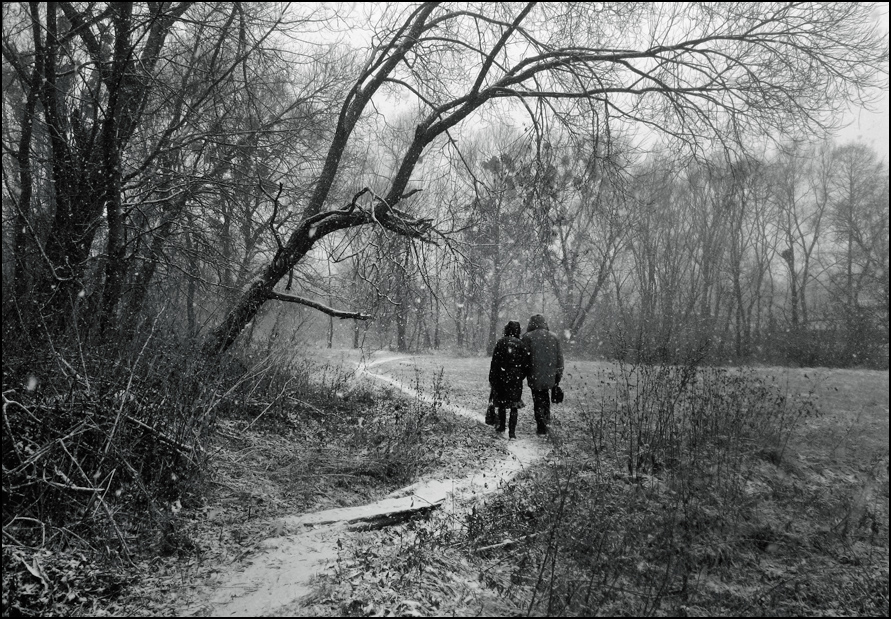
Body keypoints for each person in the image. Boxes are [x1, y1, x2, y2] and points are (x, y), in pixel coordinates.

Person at [522, 314, 564, 435]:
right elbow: (560, 358)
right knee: (546, 399)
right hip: (551, 375)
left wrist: (524, 373)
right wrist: (558, 376)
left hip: (534, 373)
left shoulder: (528, 337)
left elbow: (525, 358)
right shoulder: (554, 337)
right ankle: (546, 421)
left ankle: (541, 425)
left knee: (538, 399)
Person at [488, 320, 530, 439]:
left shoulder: (501, 342)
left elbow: (494, 362)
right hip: (515, 379)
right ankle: (512, 432)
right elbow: (526, 364)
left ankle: (501, 426)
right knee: (514, 405)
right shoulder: (521, 345)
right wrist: (520, 375)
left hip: (501, 376)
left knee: (501, 403)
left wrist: (492, 377)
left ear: (507, 329)